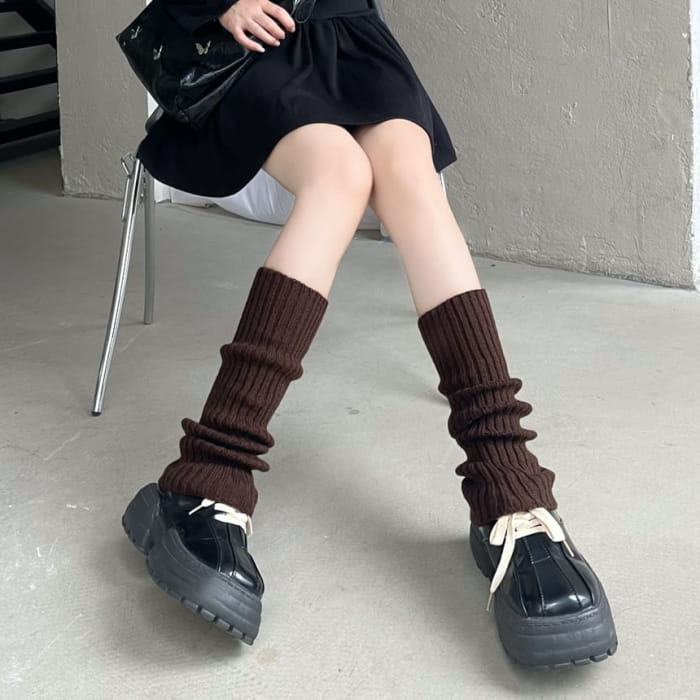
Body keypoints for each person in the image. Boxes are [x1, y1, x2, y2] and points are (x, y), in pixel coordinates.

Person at [122, 0, 618, 669]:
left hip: (349, 33)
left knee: (413, 178)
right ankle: (208, 473)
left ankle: (509, 487)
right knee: (341, 175)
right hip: (243, 44)